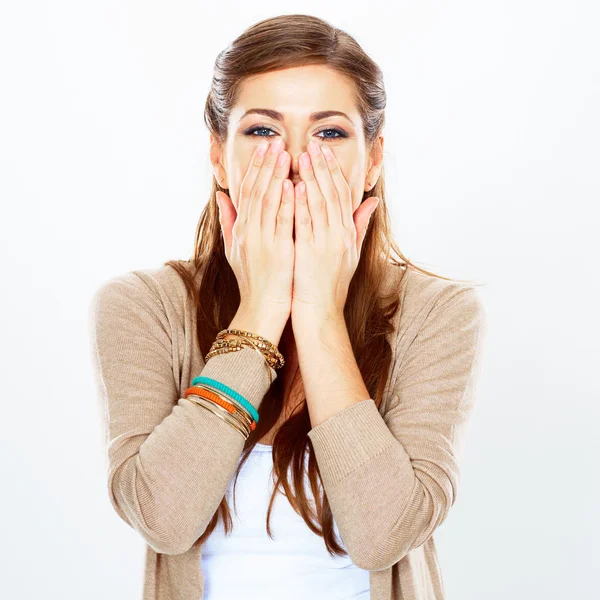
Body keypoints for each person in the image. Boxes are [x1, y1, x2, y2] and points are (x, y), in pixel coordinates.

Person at [88, 13, 487, 600]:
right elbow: (163, 518)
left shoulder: (438, 312)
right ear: (219, 156)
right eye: (261, 132)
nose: (296, 163)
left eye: (328, 133)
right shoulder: (143, 307)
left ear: (373, 159)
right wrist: (263, 306)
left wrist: (318, 313)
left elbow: (382, 536)